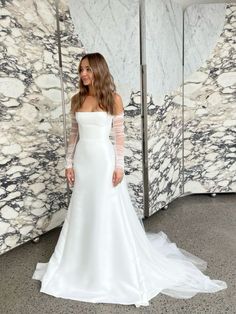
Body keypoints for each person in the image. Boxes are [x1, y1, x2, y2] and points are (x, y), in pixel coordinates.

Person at [32, 52, 227, 307]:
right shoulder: (76, 99)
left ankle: (107, 264)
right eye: (81, 70)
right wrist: (68, 163)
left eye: (88, 69)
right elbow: (74, 134)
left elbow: (120, 136)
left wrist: (119, 166)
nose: (83, 74)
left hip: (103, 161)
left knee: (104, 209)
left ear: (99, 70)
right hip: (83, 161)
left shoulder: (113, 99)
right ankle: (79, 261)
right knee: (82, 209)